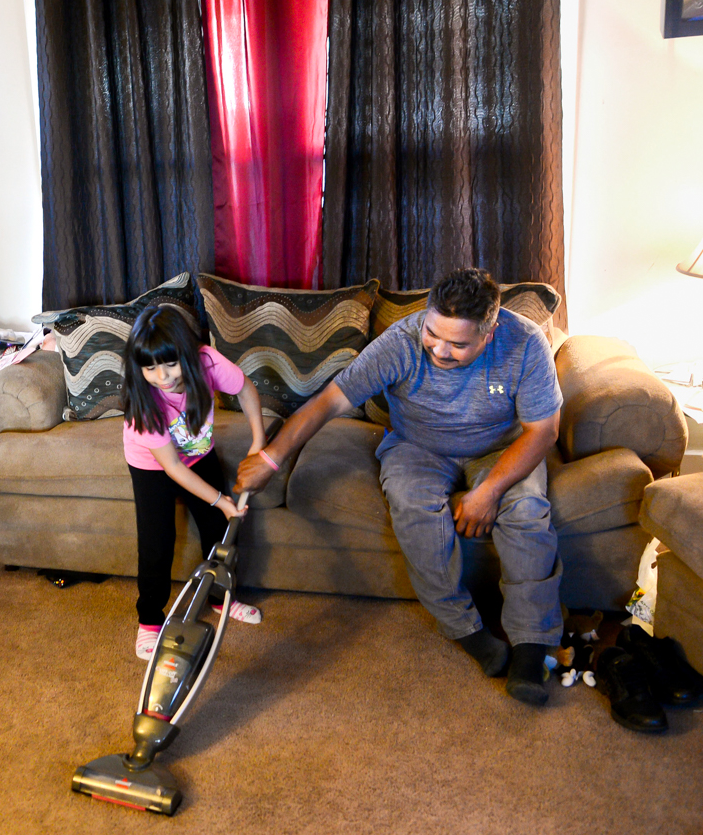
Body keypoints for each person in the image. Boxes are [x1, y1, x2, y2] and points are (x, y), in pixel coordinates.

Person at [235, 268, 563, 704]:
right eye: (433, 333)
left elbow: (543, 430)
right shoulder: (402, 340)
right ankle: (465, 629)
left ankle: (530, 646)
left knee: (526, 514)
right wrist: (271, 459)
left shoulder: (524, 343)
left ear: (489, 332)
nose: (439, 350)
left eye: (458, 344)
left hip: (501, 447)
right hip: (417, 446)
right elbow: (331, 400)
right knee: (412, 506)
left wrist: (489, 492)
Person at [123, 304, 268, 659]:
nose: (163, 377)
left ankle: (220, 598)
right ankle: (149, 622)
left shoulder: (209, 363)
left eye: (170, 364)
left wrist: (258, 442)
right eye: (151, 368)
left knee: (218, 530)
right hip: (152, 466)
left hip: (198, 454)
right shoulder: (143, 405)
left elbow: (246, 389)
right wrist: (221, 498)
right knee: (157, 543)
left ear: (186, 354)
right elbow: (172, 468)